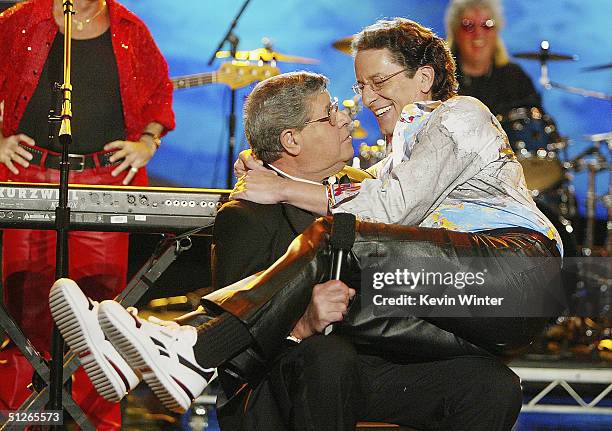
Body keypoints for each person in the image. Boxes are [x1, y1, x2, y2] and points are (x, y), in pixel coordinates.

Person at [49, 69, 554, 431]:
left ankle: (172, 347)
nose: (347, 118)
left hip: (379, 354)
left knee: (493, 384)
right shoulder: (248, 214)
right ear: (291, 139)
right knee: (326, 354)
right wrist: (301, 321)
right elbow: (245, 356)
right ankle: (178, 348)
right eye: (330, 114)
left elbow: (407, 238)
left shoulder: (367, 190)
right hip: (291, 374)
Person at [0, 0, 174, 428]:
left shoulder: (132, 29)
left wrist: (147, 143)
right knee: (26, 306)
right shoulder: (23, 20)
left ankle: (90, 422)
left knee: (96, 313)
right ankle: (23, 418)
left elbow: (159, 94)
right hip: (31, 175)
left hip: (104, 181)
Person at [444, 0, 541, 116]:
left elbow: (539, 124)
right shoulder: (442, 79)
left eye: (487, 25)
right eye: (468, 25)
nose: (478, 33)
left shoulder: (515, 78)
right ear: (455, 32)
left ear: (496, 31)